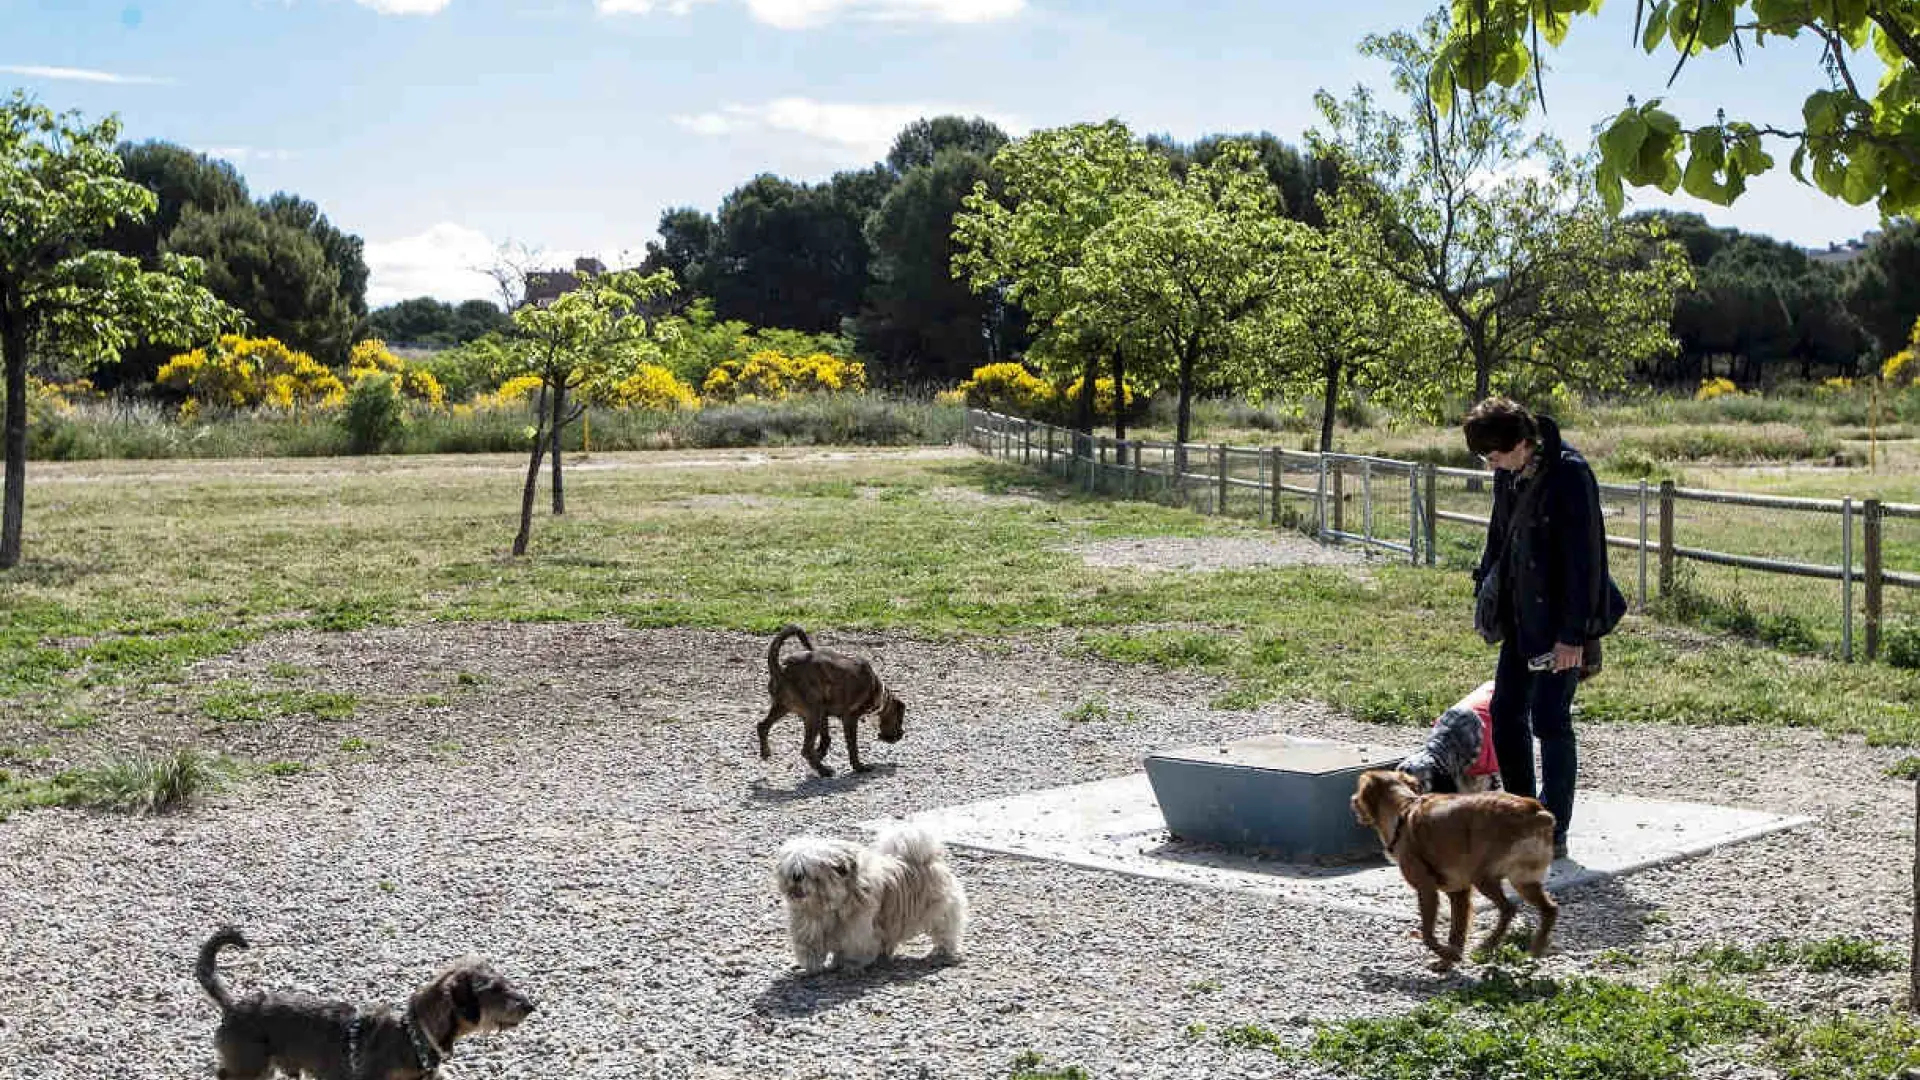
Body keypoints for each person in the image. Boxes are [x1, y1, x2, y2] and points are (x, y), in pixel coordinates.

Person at [1464, 397, 1625, 861]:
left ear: (1520, 443)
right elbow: (1499, 535)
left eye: (1494, 456)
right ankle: (1520, 814)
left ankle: (1552, 829)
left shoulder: (1570, 474)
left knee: (1551, 721)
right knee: (1507, 713)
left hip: (1559, 622)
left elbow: (1587, 559)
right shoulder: (1507, 473)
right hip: (1519, 615)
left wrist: (1574, 635)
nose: (1490, 466)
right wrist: (1486, 589)